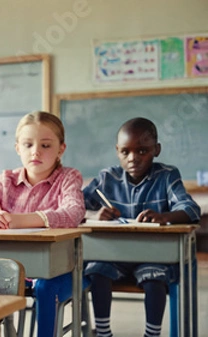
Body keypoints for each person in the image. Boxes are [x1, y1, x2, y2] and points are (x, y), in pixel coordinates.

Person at [0, 111, 86, 337]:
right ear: (18, 147)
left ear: (61, 149)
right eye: (28, 144)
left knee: (45, 287)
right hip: (14, 268)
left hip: (59, 270)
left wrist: (20, 220)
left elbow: (73, 212)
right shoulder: (7, 180)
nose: (35, 151)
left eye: (46, 145)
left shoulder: (68, 177)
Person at [83, 117, 200, 337]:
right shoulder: (107, 178)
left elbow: (191, 209)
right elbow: (74, 208)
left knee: (154, 276)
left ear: (157, 150)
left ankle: (152, 333)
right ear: (117, 151)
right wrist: (94, 215)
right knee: (97, 269)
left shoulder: (166, 175)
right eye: (125, 152)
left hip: (153, 255)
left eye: (142, 151)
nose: (133, 158)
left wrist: (165, 216)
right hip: (114, 255)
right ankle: (103, 332)